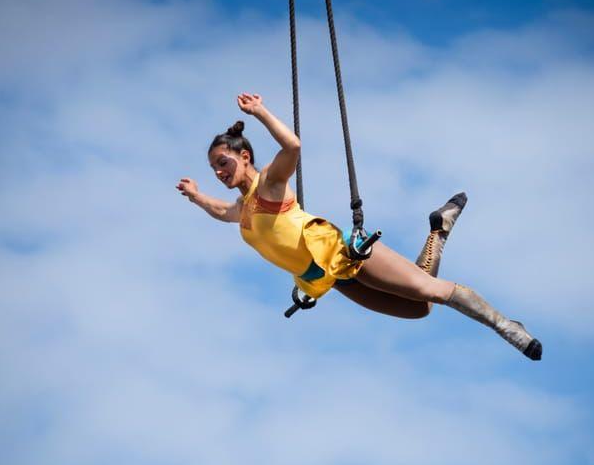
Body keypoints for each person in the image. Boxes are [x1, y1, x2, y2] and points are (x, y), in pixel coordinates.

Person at [176, 93, 542, 360]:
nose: (219, 173)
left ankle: (506, 326)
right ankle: (438, 231)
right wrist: (196, 196)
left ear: (244, 156)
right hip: (332, 277)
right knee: (419, 308)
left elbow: (292, 146)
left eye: (223, 162)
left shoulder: (270, 183)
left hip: (344, 252)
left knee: (429, 290)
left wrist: (260, 112)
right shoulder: (243, 210)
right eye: (214, 169)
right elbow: (220, 210)